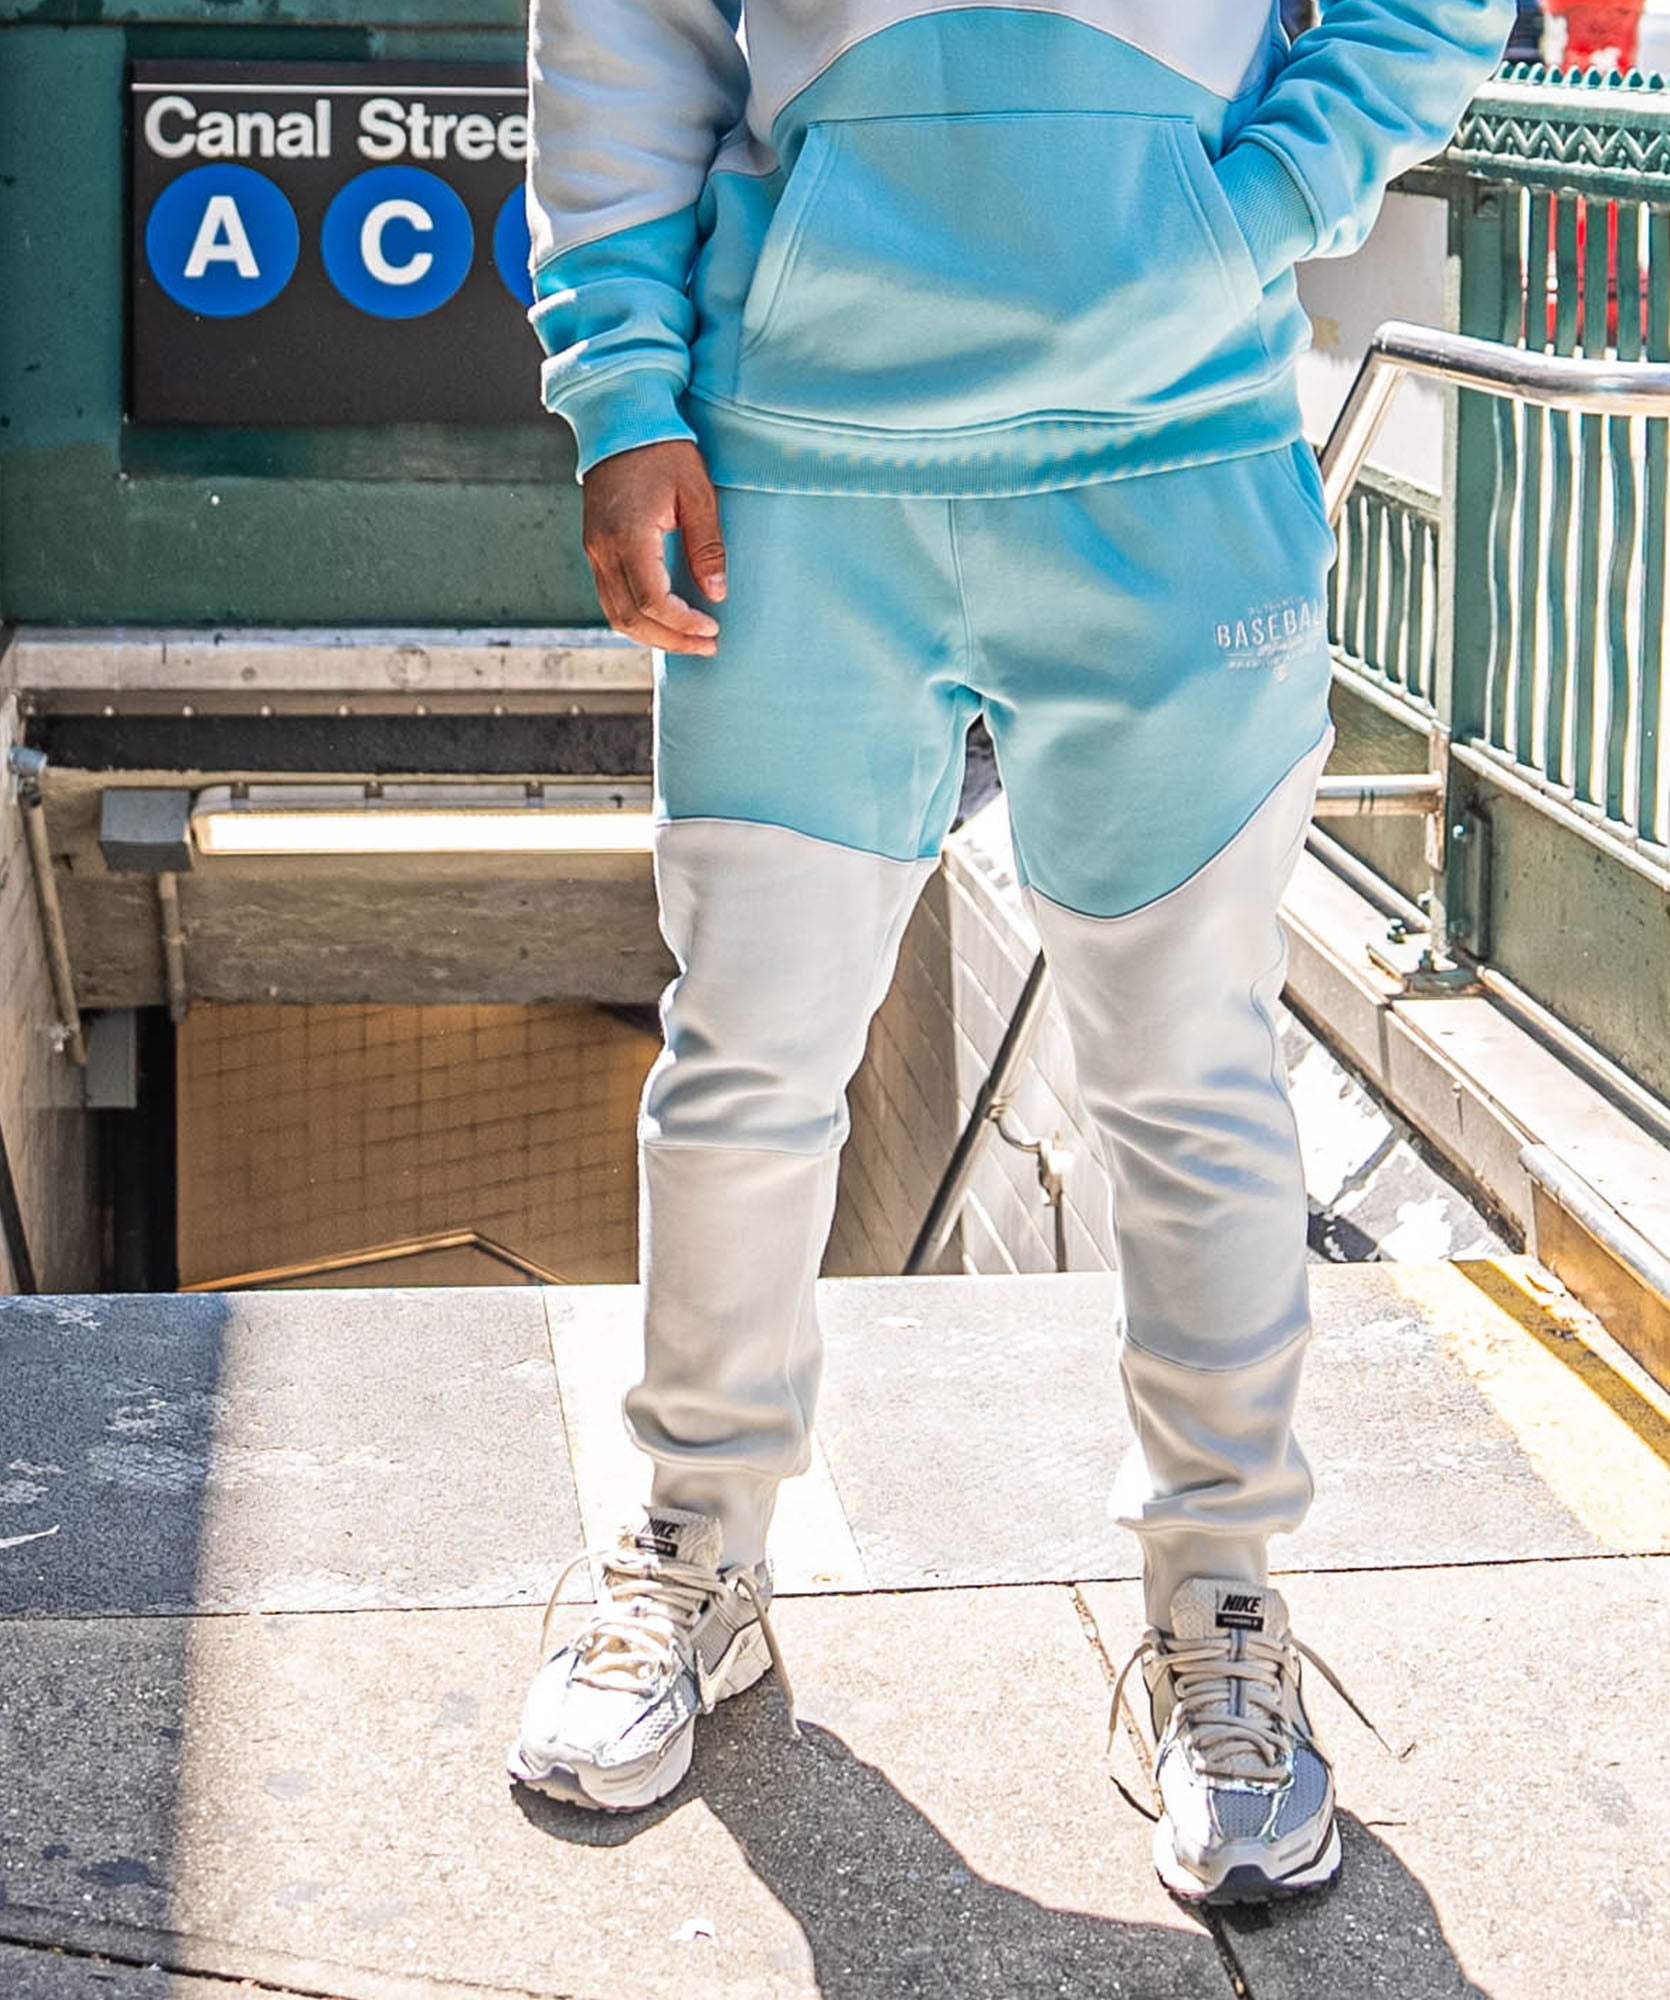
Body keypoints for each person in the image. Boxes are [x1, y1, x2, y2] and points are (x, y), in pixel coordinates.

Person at [507, 0, 1511, 1904]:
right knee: (748, 1063)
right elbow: (628, 29)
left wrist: (1253, 205)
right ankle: (691, 1553)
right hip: (798, 468)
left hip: (1174, 458)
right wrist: (624, 396)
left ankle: (1220, 1610)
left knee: (1190, 1074)